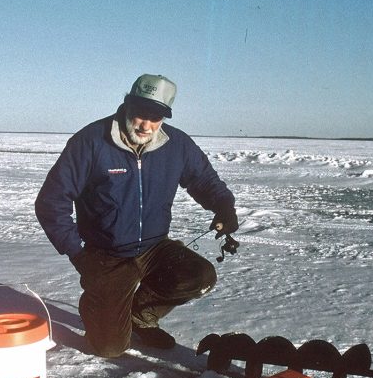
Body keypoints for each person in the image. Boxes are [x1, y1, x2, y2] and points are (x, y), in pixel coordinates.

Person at [35, 74, 238, 357]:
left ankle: (140, 316)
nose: (145, 125)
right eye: (140, 113)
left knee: (200, 276)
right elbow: (51, 202)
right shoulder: (91, 141)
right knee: (110, 348)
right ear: (127, 105)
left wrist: (224, 206)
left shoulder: (177, 145)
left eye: (155, 117)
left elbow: (204, 180)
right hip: (106, 255)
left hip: (155, 247)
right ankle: (96, 305)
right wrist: (78, 253)